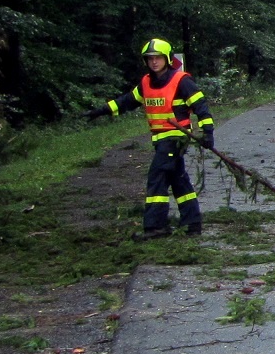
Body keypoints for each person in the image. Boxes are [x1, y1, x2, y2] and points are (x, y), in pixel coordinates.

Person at [85, 38, 214, 239]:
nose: (154, 62)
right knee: (178, 180)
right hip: (160, 139)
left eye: (158, 58)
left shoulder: (182, 81)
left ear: (167, 59)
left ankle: (155, 226)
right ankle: (192, 224)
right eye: (150, 58)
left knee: (157, 177)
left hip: (176, 138)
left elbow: (201, 107)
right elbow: (127, 101)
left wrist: (208, 133)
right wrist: (101, 111)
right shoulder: (146, 83)